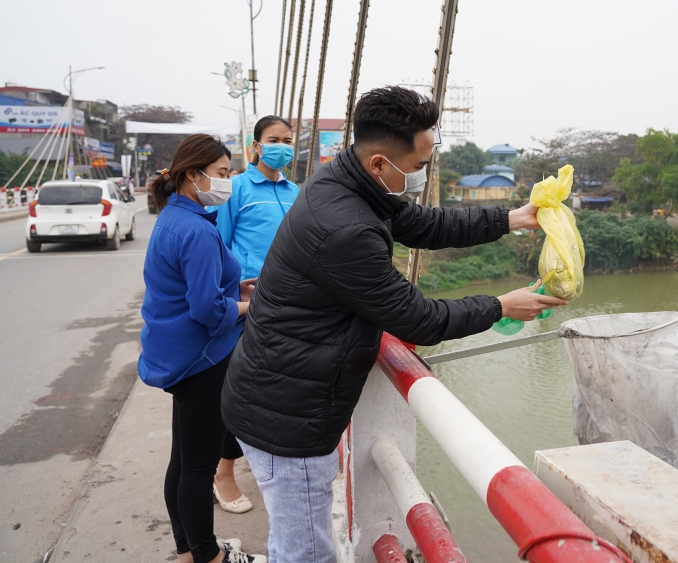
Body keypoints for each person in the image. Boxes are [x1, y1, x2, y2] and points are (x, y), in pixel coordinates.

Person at [221, 86, 565, 563]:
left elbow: (425, 224)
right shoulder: (346, 228)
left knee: (292, 538)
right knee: (308, 554)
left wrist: (511, 218)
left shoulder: (346, 180)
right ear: (381, 162)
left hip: (277, 396)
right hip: (289, 420)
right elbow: (416, 318)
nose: (424, 174)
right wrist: (501, 305)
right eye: (420, 165)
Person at [139, 134, 266, 563]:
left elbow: (198, 289)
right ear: (193, 175)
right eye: (223, 174)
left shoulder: (176, 215)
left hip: (178, 355)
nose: (227, 182)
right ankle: (209, 556)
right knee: (197, 467)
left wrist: (237, 286)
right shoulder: (195, 229)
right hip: (203, 359)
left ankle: (188, 552)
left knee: (183, 460)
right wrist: (255, 305)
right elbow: (208, 310)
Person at [208, 115, 300, 514]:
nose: (282, 146)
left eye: (287, 139)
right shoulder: (237, 189)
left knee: (279, 392)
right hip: (249, 307)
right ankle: (222, 472)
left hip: (292, 306)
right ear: (256, 146)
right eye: (273, 139)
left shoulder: (298, 192)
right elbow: (219, 247)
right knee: (241, 392)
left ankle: (272, 468)